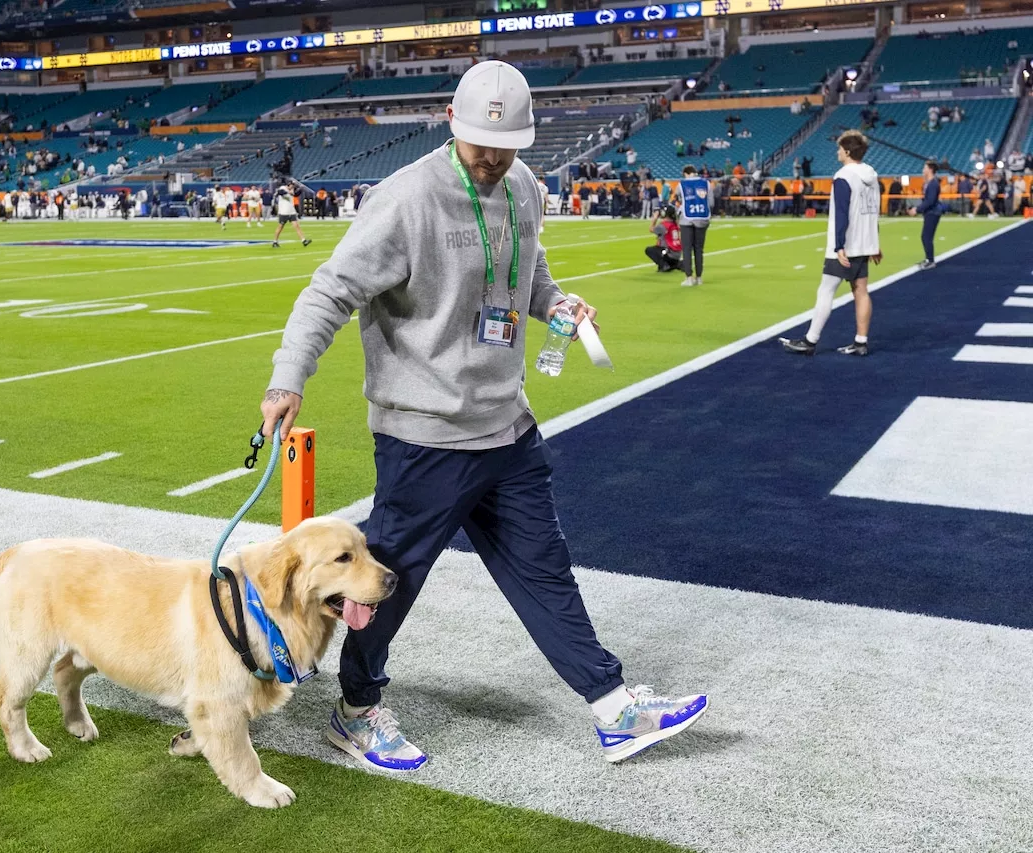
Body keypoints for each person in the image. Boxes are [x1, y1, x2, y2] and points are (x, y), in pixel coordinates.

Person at [258, 60, 707, 772]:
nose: (494, 159)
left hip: (507, 426)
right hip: (424, 437)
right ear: (452, 126)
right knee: (386, 585)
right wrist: (289, 376)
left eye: (507, 146)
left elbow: (530, 278)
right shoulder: (404, 200)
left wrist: (556, 304)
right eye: (480, 147)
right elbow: (328, 290)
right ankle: (356, 709)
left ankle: (614, 708)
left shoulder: (524, 185)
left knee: (546, 571)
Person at [780, 130, 881, 357]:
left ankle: (810, 340)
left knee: (826, 290)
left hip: (847, 245)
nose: (837, 152)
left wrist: (838, 245)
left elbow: (842, 214)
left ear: (846, 151)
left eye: (839, 149)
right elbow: (874, 211)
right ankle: (861, 342)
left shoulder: (844, 176)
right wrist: (875, 242)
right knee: (861, 290)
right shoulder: (873, 177)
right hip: (865, 242)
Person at [673, 165, 710, 287]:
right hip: (702, 217)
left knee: (687, 249)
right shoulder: (706, 183)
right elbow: (712, 202)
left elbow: (676, 198)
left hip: (687, 218)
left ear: (686, 173)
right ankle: (699, 277)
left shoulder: (681, 184)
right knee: (699, 249)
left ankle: (689, 277)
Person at [908, 160, 946, 269]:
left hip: (933, 212)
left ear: (930, 169)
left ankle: (930, 260)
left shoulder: (933, 184)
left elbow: (930, 201)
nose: (923, 170)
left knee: (926, 237)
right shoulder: (929, 183)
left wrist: (917, 209)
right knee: (926, 237)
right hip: (930, 212)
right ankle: (928, 259)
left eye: (925, 168)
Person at [271, 182, 312, 248]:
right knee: (280, 227)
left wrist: (301, 189)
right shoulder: (283, 188)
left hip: (291, 211)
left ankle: (303, 241)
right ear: (288, 185)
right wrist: (289, 192)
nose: (292, 188)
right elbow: (280, 192)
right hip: (284, 212)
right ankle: (275, 241)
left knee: (297, 226)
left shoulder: (291, 190)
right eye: (292, 186)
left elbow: (296, 194)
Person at [645, 204, 683, 272]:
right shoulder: (674, 224)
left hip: (669, 252)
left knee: (649, 250)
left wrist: (655, 218)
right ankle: (675, 264)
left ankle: (664, 265)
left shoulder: (664, 225)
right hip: (677, 253)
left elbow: (651, 229)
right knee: (659, 248)